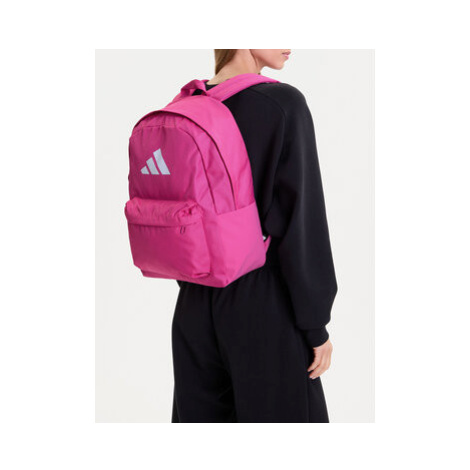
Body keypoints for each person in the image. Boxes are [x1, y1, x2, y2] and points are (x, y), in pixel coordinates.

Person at [171, 49, 338, 423]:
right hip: (264, 304)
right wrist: (315, 325)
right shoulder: (282, 103)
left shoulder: (187, 104)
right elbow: (302, 220)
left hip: (193, 306)